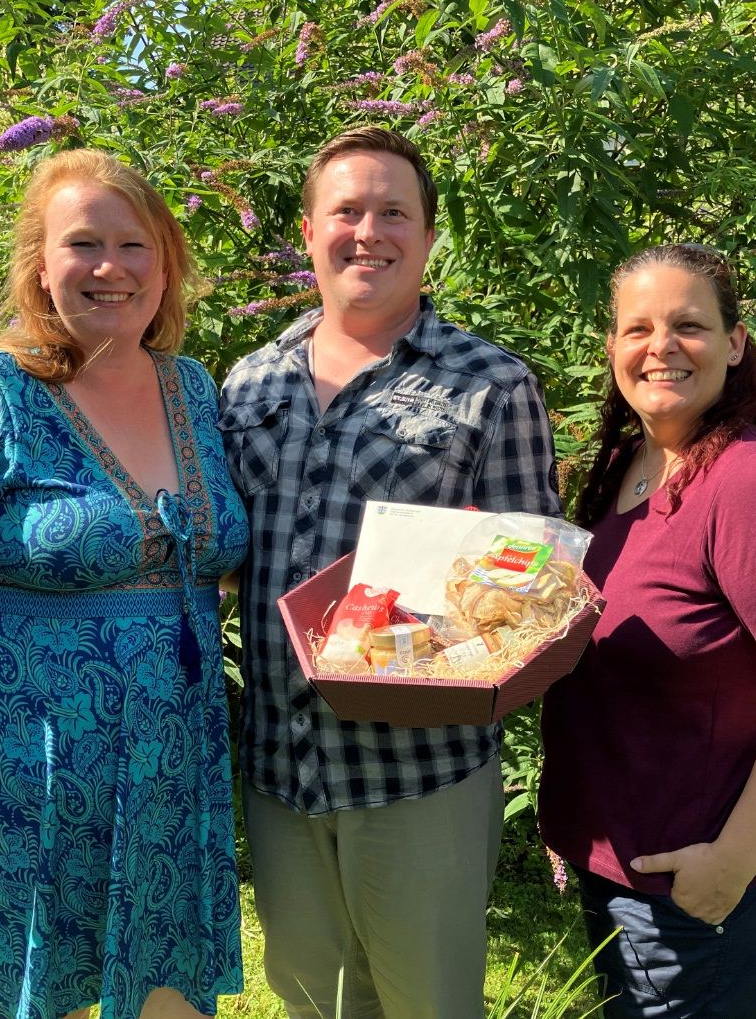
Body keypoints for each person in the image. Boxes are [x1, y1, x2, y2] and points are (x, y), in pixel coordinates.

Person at [0, 148, 248, 1019]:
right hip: (14, 782)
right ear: (41, 265)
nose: (111, 267)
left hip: (165, 781)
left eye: (134, 244)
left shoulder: (193, 390)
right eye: (83, 244)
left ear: (167, 260)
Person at [218, 126, 561, 1019]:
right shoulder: (249, 384)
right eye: (347, 210)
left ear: (428, 236)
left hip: (419, 778)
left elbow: (534, 599)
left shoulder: (492, 385)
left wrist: (419, 650)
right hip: (279, 775)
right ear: (307, 232)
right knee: (317, 1006)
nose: (368, 231)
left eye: (393, 212)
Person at [537, 243, 756, 1019]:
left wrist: (732, 861)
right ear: (611, 346)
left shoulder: (755, 485)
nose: (660, 347)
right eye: (637, 328)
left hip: (703, 876)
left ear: (735, 342)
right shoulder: (629, 464)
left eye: (689, 325)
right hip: (624, 859)